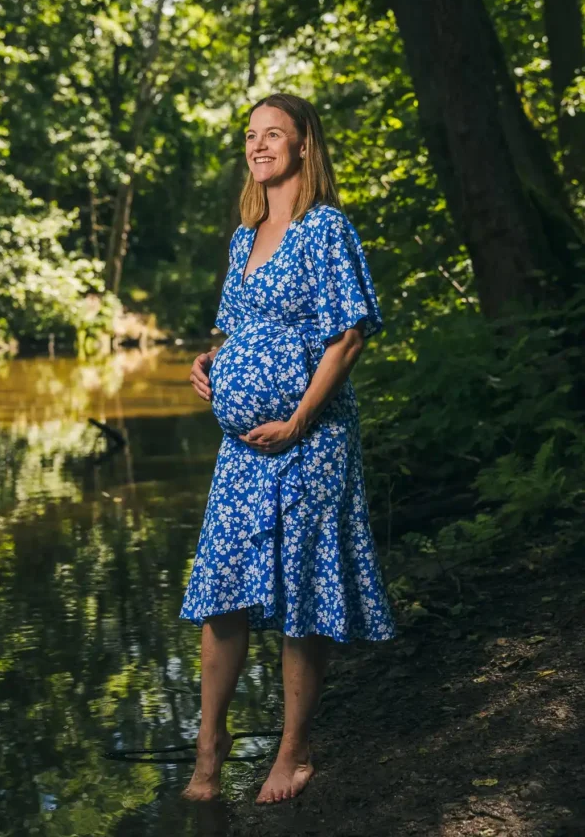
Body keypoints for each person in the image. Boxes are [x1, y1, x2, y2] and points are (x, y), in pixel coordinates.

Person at [180, 93, 397, 804]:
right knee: (223, 588)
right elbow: (235, 331)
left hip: (311, 439)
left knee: (301, 590)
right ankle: (208, 750)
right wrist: (211, 364)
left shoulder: (324, 228)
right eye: (251, 135)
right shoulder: (247, 234)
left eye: (274, 134)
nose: (259, 145)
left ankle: (292, 752)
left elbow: (348, 337)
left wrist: (299, 419)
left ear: (305, 146)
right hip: (243, 447)